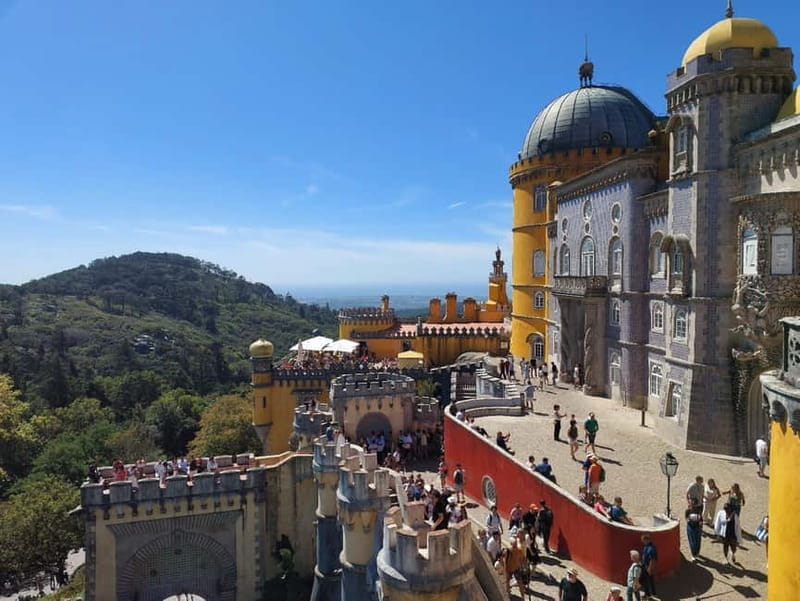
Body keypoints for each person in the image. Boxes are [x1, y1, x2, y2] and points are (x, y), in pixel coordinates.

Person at [640, 534, 658, 599]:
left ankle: (647, 595)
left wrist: (649, 569)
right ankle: (654, 593)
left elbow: (652, 559)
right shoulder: (647, 546)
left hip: (648, 567)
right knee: (651, 580)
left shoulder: (651, 548)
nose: (643, 542)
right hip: (646, 566)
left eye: (643, 540)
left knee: (646, 582)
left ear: (647, 540)